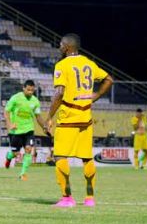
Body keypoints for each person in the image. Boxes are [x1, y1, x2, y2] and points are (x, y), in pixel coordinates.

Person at [45, 33, 113, 207]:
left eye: (61, 44)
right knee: (86, 157)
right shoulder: (89, 63)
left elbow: (59, 93)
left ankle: (67, 198)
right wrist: (95, 96)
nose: (59, 47)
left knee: (60, 156)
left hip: (69, 117)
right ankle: (90, 198)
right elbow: (108, 79)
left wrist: (49, 117)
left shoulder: (62, 65)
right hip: (85, 117)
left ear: (67, 46)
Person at [3, 79, 48, 180]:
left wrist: (44, 126)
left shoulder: (35, 101)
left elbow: (38, 117)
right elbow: (6, 112)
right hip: (16, 130)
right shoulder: (15, 98)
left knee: (28, 149)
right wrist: (9, 124)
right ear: (23, 88)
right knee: (15, 153)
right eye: (28, 90)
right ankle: (9, 156)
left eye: (32, 90)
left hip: (29, 129)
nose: (30, 92)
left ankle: (22, 173)